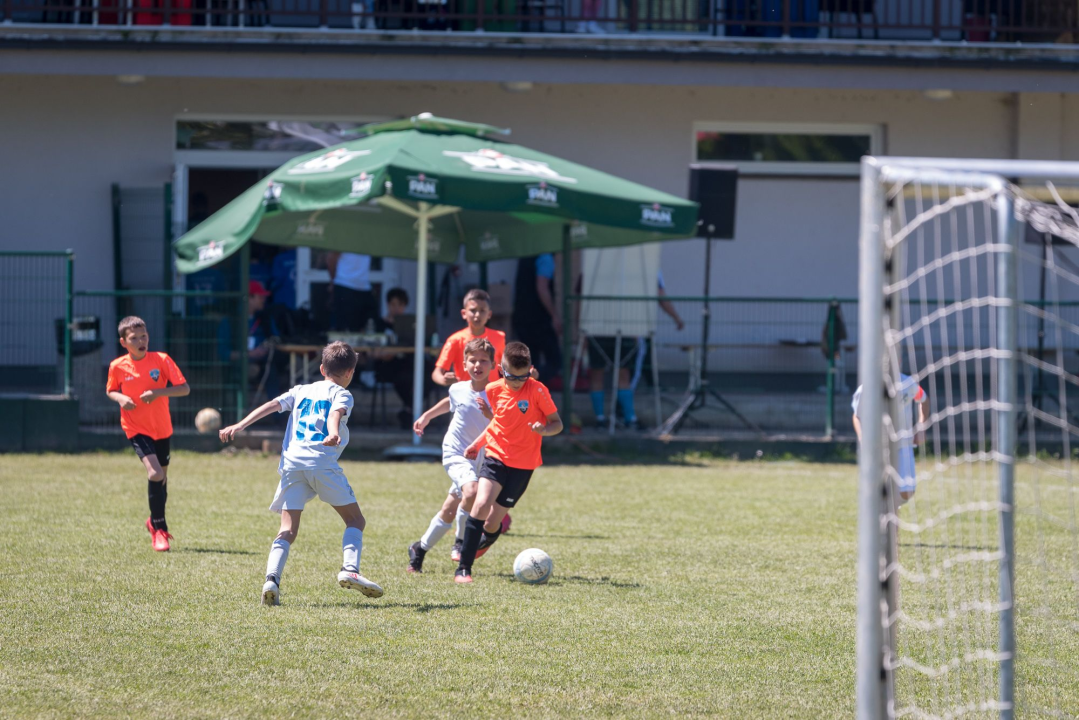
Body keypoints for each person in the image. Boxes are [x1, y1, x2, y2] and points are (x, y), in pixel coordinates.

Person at [218, 341, 384, 607]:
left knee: (287, 529)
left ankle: (271, 579)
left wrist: (240, 424)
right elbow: (335, 414)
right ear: (350, 372)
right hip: (321, 463)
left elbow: (271, 405)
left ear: (321, 368)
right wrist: (333, 432)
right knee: (355, 520)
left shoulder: (301, 390)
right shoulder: (343, 393)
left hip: (292, 464)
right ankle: (350, 570)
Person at [456, 342, 563, 584]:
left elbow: (557, 423)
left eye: (522, 377)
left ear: (530, 370)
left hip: (524, 465)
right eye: (511, 377)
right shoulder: (493, 389)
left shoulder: (537, 391)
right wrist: (477, 444)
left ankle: (488, 538)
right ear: (501, 369)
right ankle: (464, 568)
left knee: (494, 522)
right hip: (496, 456)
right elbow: (498, 424)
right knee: (481, 504)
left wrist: (544, 430)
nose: (516, 382)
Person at [407, 338, 499, 573]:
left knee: (449, 509)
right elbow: (451, 401)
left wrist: (490, 414)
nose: (478, 365)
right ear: (464, 363)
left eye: (483, 361)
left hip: (481, 456)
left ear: (493, 365)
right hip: (456, 452)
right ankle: (460, 542)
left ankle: (419, 549)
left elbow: (502, 423)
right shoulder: (458, 388)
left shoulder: (498, 394)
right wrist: (427, 415)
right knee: (472, 492)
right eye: (473, 360)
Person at [106, 315, 191, 552]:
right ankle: (159, 529)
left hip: (161, 428)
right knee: (154, 473)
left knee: (161, 479)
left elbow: (184, 389)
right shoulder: (117, 366)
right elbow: (111, 390)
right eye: (134, 338)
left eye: (144, 336)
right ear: (124, 342)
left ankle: (152, 519)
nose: (141, 341)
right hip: (136, 428)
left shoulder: (162, 360)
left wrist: (157, 392)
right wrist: (121, 398)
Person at [588, 271, 684, 430]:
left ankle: (622, 415)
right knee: (618, 374)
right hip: (606, 329)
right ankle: (616, 415)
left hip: (616, 329)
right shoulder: (595, 268)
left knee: (619, 374)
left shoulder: (646, 266)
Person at [851, 373, 928, 502]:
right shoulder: (866, 387)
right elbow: (857, 415)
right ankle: (886, 514)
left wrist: (921, 426)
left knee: (907, 492)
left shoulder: (909, 383)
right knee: (877, 491)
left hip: (903, 445)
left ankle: (889, 511)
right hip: (877, 447)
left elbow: (924, 400)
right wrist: (862, 436)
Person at [433, 288, 507, 387]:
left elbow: (508, 367)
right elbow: (437, 372)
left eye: (482, 310)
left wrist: (525, 373)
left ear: (489, 314)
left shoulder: (499, 337)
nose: (477, 315)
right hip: (465, 398)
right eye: (473, 310)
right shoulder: (455, 340)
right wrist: (443, 379)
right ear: (464, 313)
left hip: (493, 397)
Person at [512, 254, 562, 384]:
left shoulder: (525, 257)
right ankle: (535, 388)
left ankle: (530, 392)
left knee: (531, 361)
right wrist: (554, 315)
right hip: (539, 319)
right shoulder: (546, 258)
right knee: (555, 361)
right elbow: (542, 287)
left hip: (521, 317)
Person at [326, 252, 377, 332]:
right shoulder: (342, 240)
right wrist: (334, 281)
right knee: (343, 330)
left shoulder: (369, 240)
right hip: (344, 285)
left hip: (364, 288)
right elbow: (331, 258)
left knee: (366, 328)